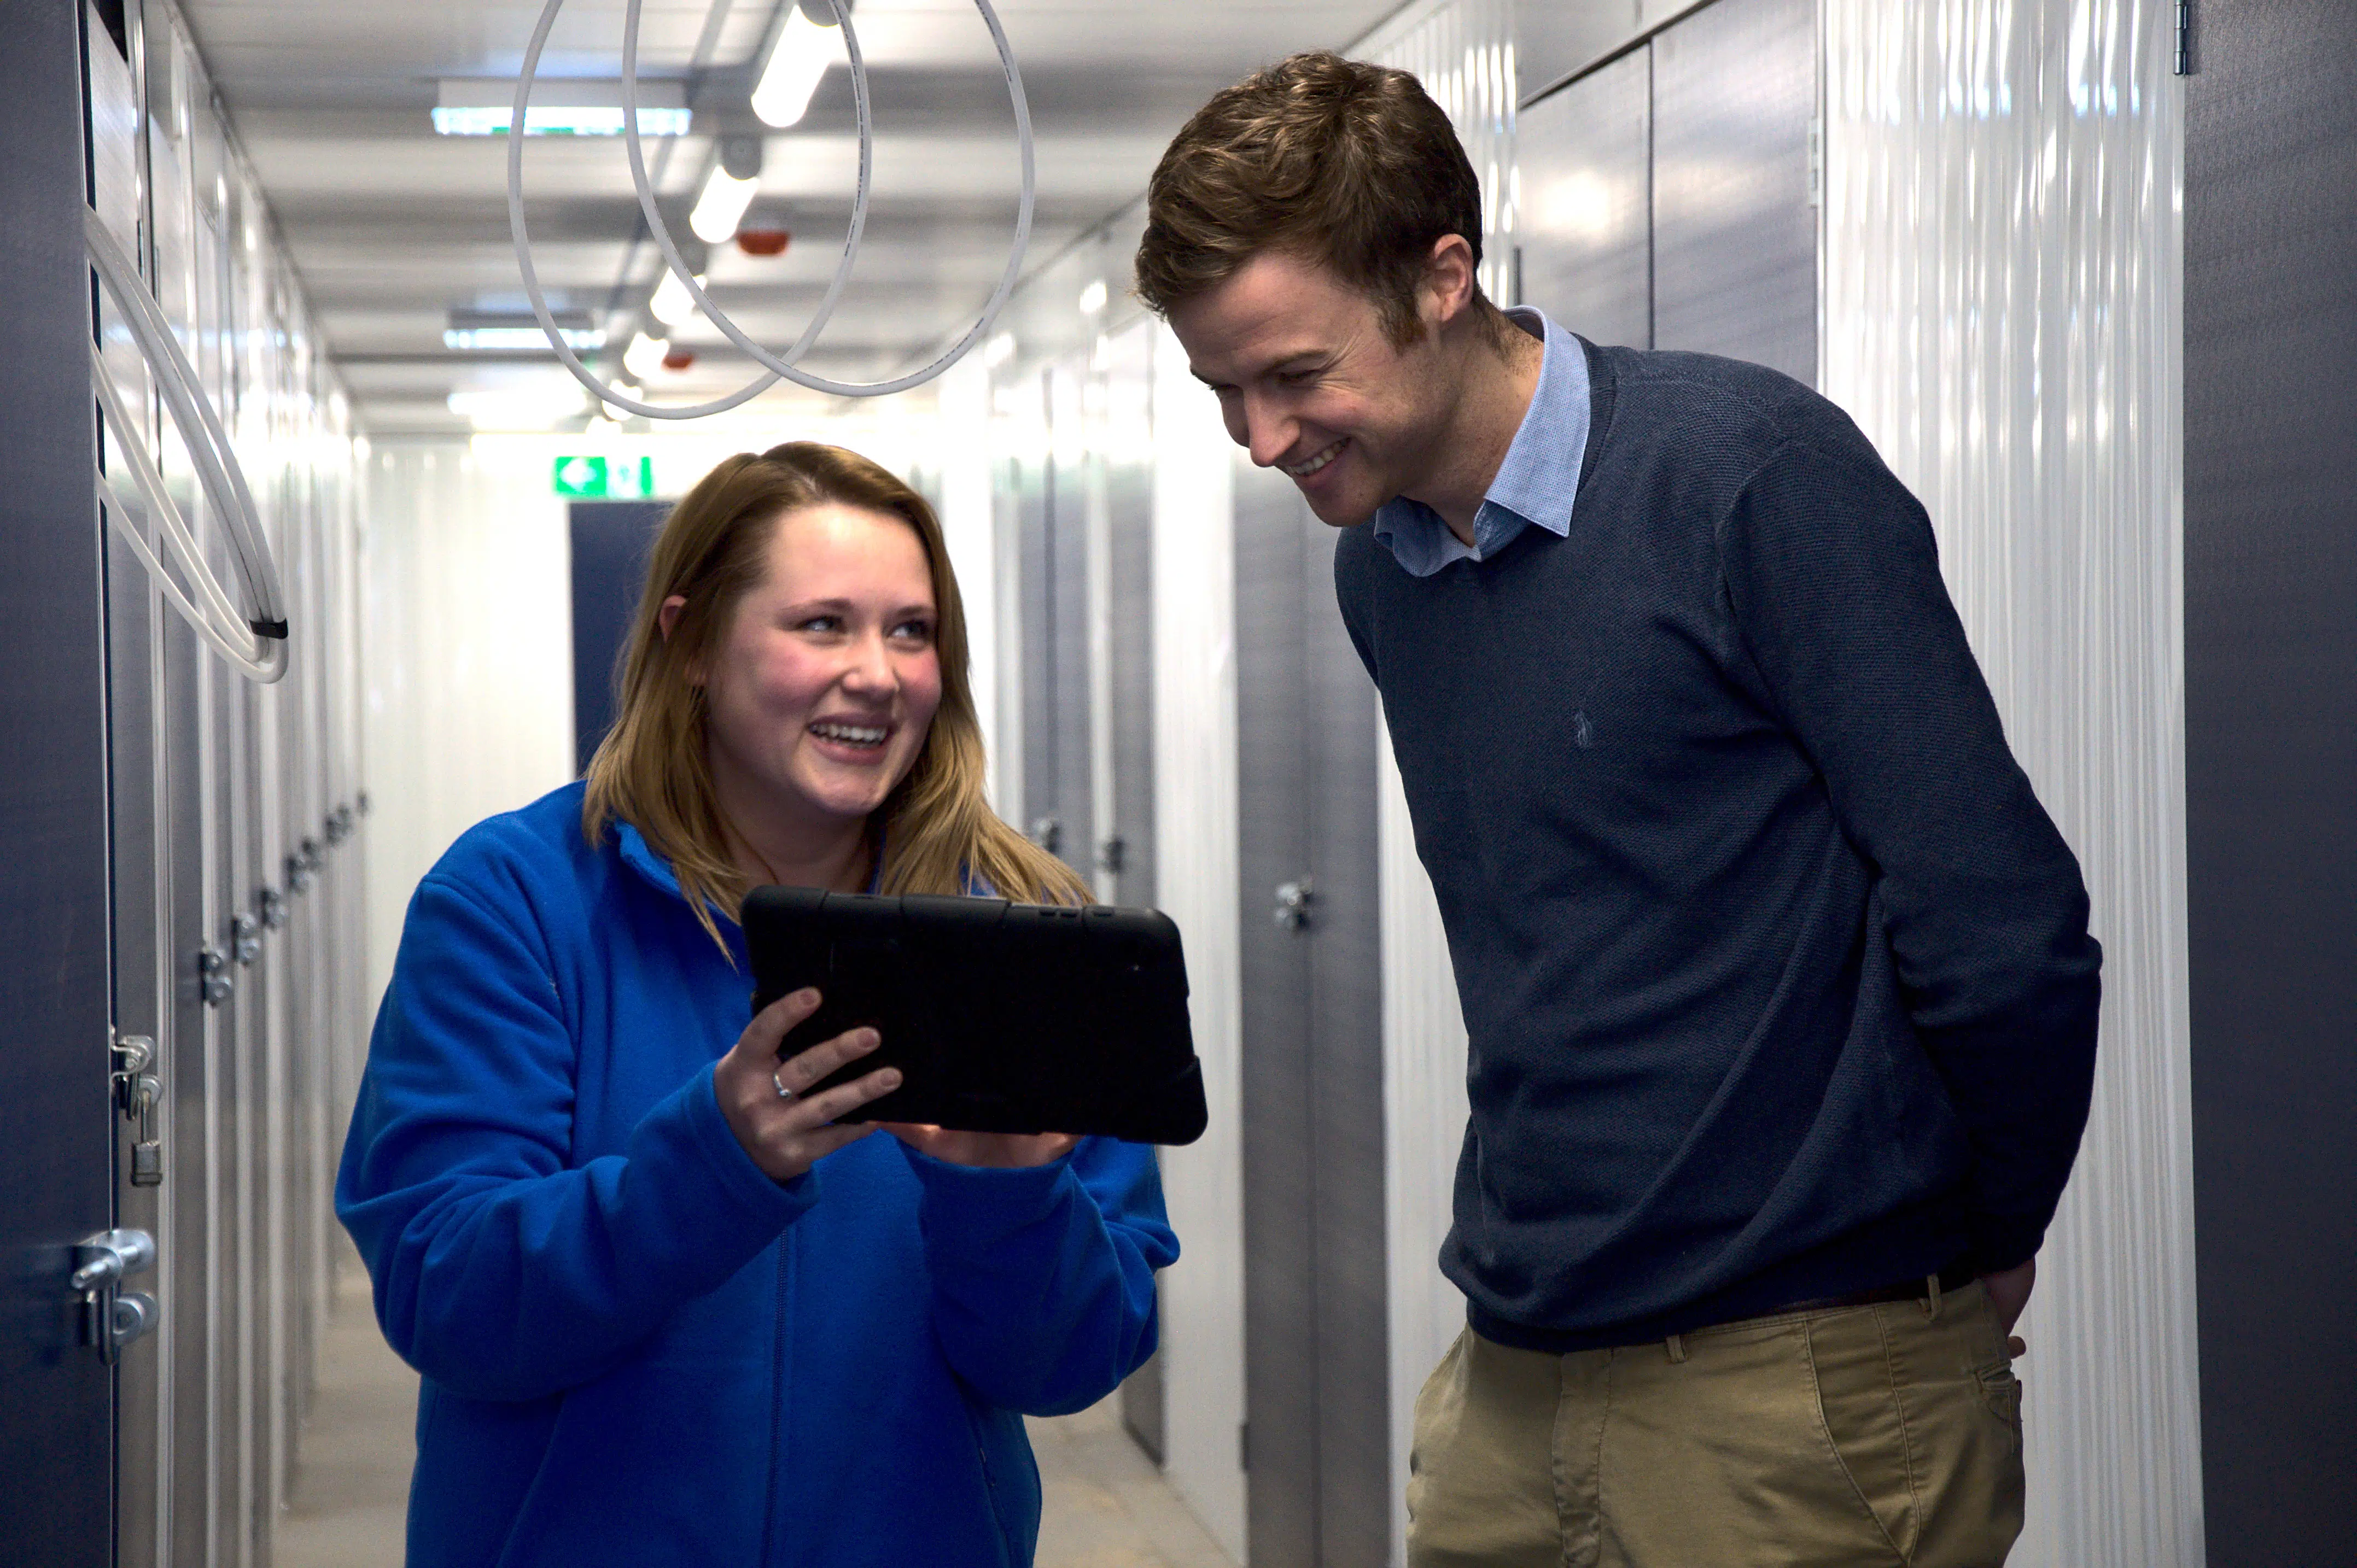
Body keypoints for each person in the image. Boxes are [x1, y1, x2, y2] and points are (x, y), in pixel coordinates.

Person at [1137, 52, 2099, 1568]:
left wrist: (1972, 1239)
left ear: (1439, 276)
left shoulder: (1745, 476)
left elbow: (2000, 920)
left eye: (1292, 374)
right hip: (1516, 1371)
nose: (1260, 439)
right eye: (1220, 392)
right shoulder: (1378, 569)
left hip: (1793, 1379)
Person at [337, 442, 1176, 1567]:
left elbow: (1072, 1365)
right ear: (690, 640)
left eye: (911, 631)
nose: (877, 673)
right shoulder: (516, 902)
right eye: (822, 624)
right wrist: (711, 1166)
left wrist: (1005, 1199)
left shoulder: (1021, 932)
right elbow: (450, 1296)